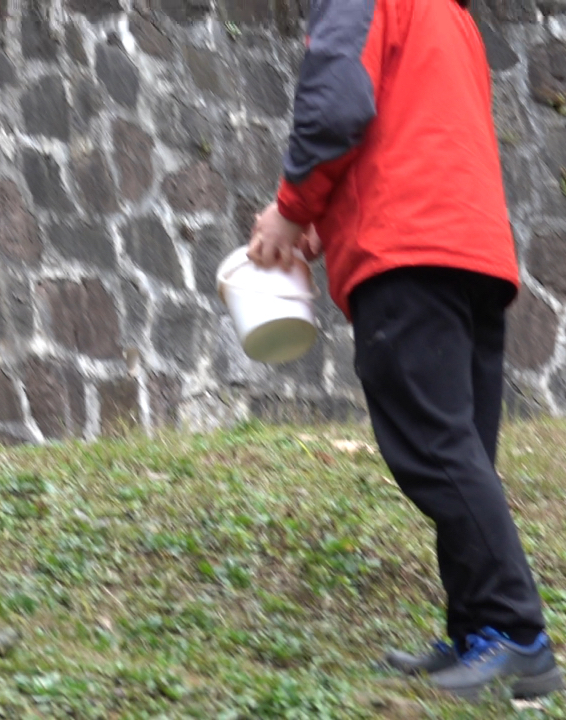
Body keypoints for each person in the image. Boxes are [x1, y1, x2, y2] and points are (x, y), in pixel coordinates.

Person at [247, 0, 563, 701]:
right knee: (462, 448)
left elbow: (336, 106)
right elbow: (409, 130)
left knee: (436, 450)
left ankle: (517, 635)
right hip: (471, 249)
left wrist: (293, 207)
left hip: (407, 254)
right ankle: (479, 629)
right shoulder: (448, 14)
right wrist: (329, 216)